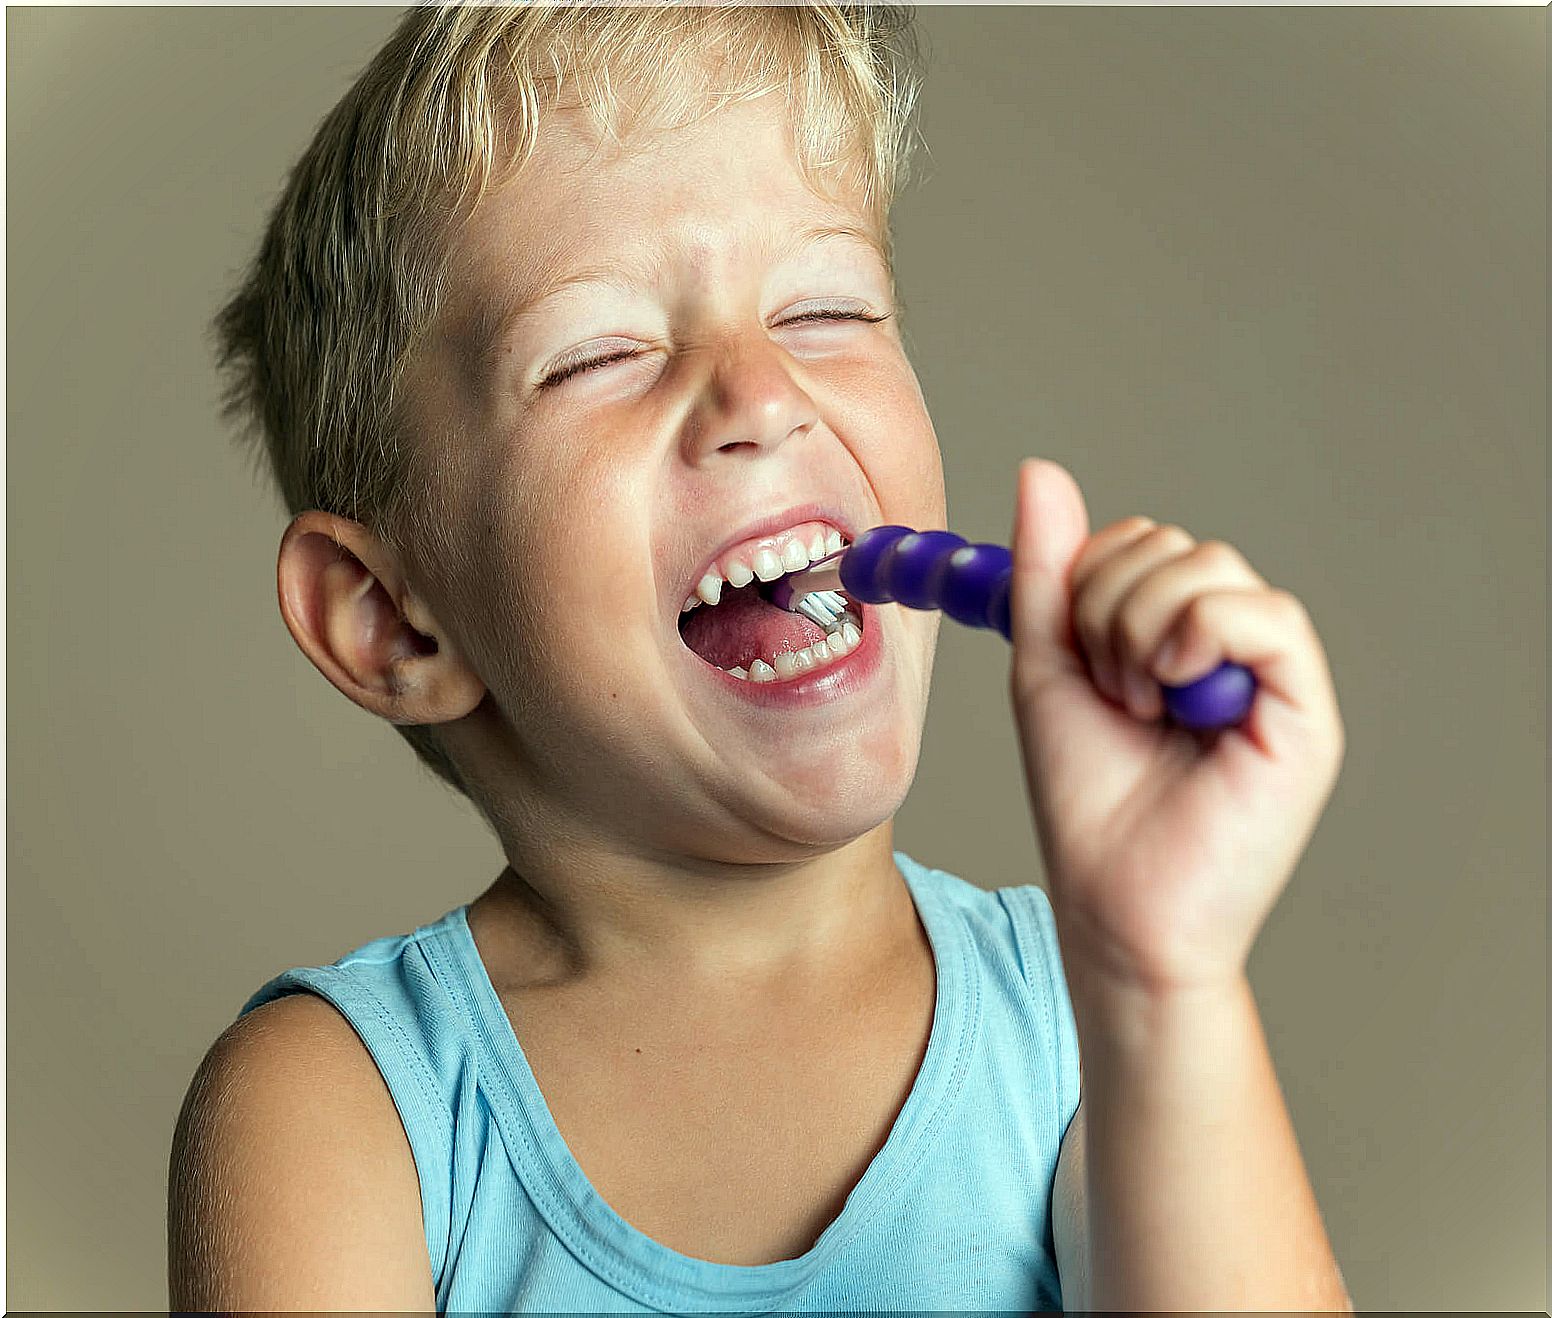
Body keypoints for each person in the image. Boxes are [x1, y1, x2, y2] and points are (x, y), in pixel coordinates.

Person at [169, 3, 1353, 1311]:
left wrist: (1163, 976)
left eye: (826, 305)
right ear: (390, 616)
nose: (763, 391)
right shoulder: (341, 1106)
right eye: (602, 352)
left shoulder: (1094, 1020)